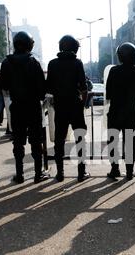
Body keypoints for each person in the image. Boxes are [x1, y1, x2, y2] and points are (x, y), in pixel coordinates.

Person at [0, 31, 49, 184]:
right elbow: (42, 90)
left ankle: (19, 174)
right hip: (33, 108)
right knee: (36, 142)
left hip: (17, 108)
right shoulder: (34, 63)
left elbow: (4, 86)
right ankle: (37, 174)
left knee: (18, 142)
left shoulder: (6, 63)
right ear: (29, 44)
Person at [46, 35, 90, 183]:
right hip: (75, 107)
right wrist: (82, 105)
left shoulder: (52, 64)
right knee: (80, 139)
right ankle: (81, 172)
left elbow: (49, 87)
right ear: (74, 48)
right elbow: (84, 89)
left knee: (59, 141)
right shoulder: (77, 63)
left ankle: (60, 173)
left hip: (60, 106)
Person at [106, 42, 135, 180]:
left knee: (112, 141)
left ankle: (114, 169)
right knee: (130, 141)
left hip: (115, 112)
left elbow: (109, 93)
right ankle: (129, 172)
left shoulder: (113, 71)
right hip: (131, 113)